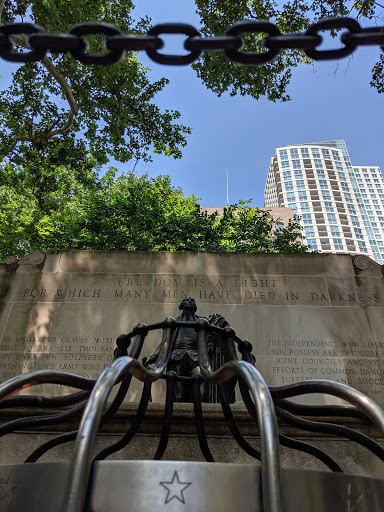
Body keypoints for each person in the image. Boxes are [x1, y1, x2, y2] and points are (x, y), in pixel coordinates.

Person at [143, 296, 224, 402]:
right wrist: (152, 358)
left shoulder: (202, 321)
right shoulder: (174, 322)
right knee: (178, 395)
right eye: (186, 300)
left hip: (196, 359)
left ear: (195, 306)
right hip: (177, 358)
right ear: (181, 306)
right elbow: (164, 344)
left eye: (192, 300)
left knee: (202, 392)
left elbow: (212, 337)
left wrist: (212, 342)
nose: (189, 301)